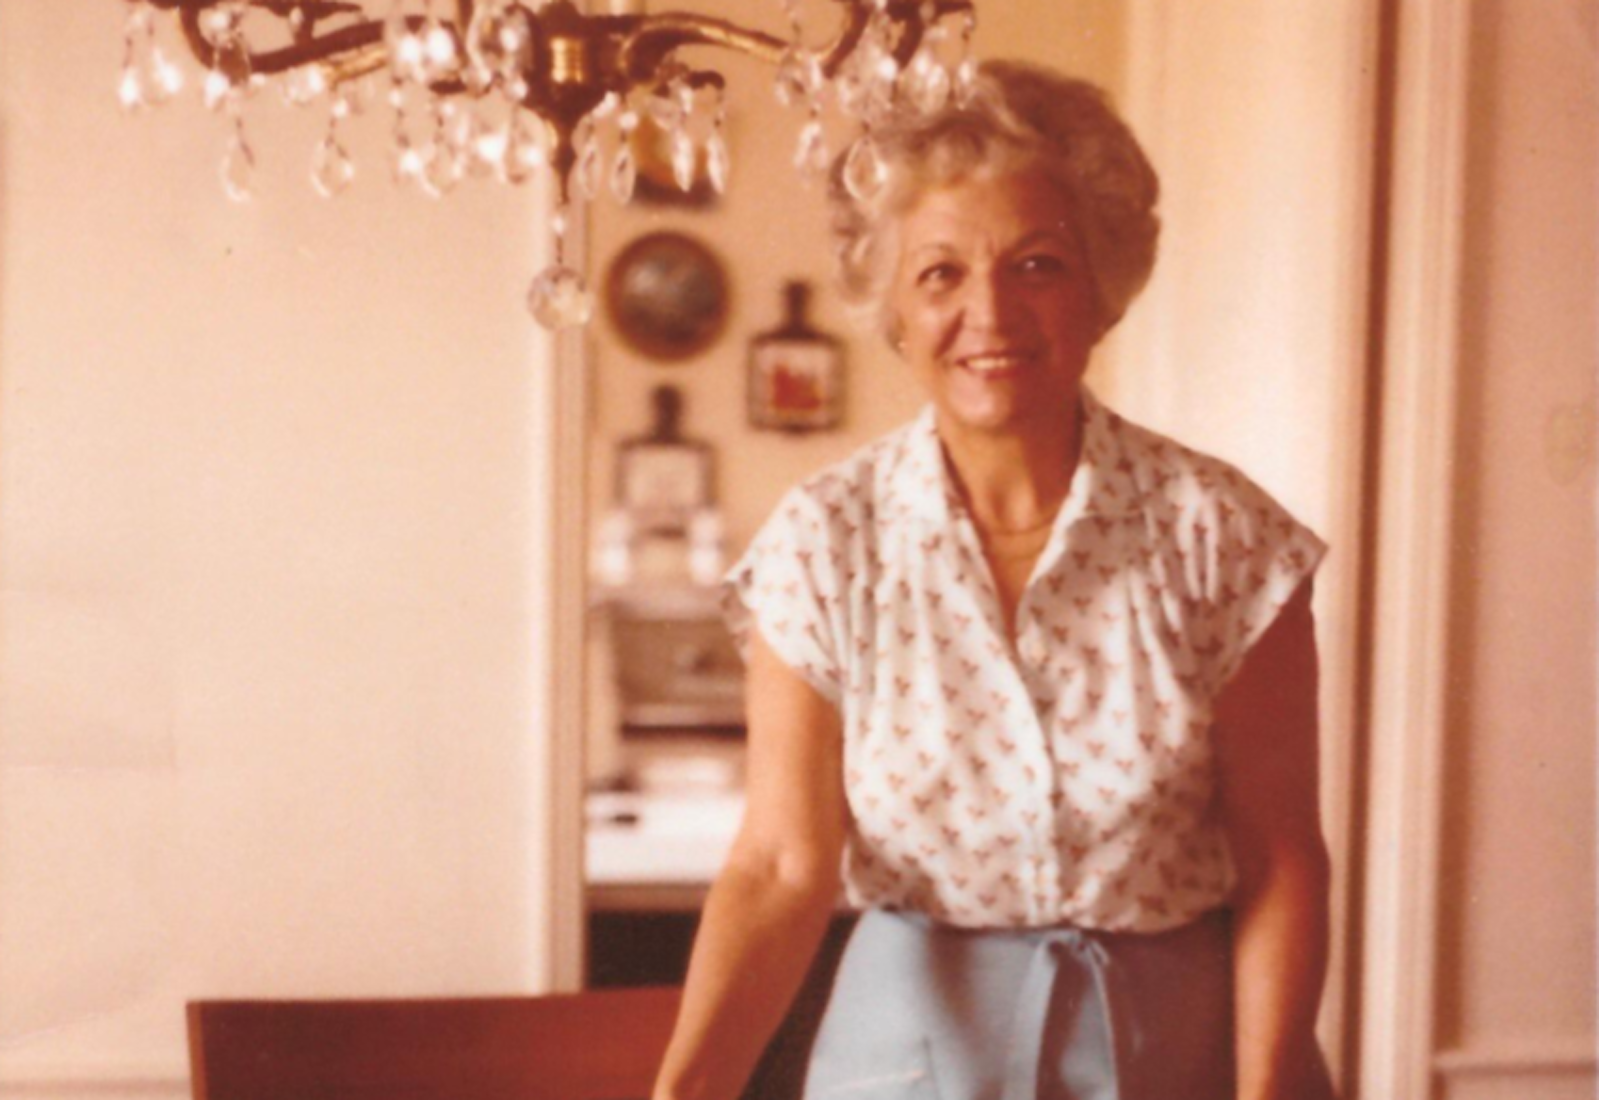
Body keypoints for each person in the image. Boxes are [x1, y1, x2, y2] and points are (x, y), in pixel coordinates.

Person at [652, 60, 1337, 1100]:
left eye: (1038, 264)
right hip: (909, 1050)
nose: (990, 312)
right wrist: (684, 1088)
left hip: (1178, 1050)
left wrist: (1268, 1090)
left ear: (1101, 288)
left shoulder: (1221, 535)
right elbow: (783, 864)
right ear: (892, 307)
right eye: (940, 273)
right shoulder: (824, 542)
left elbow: (1283, 858)